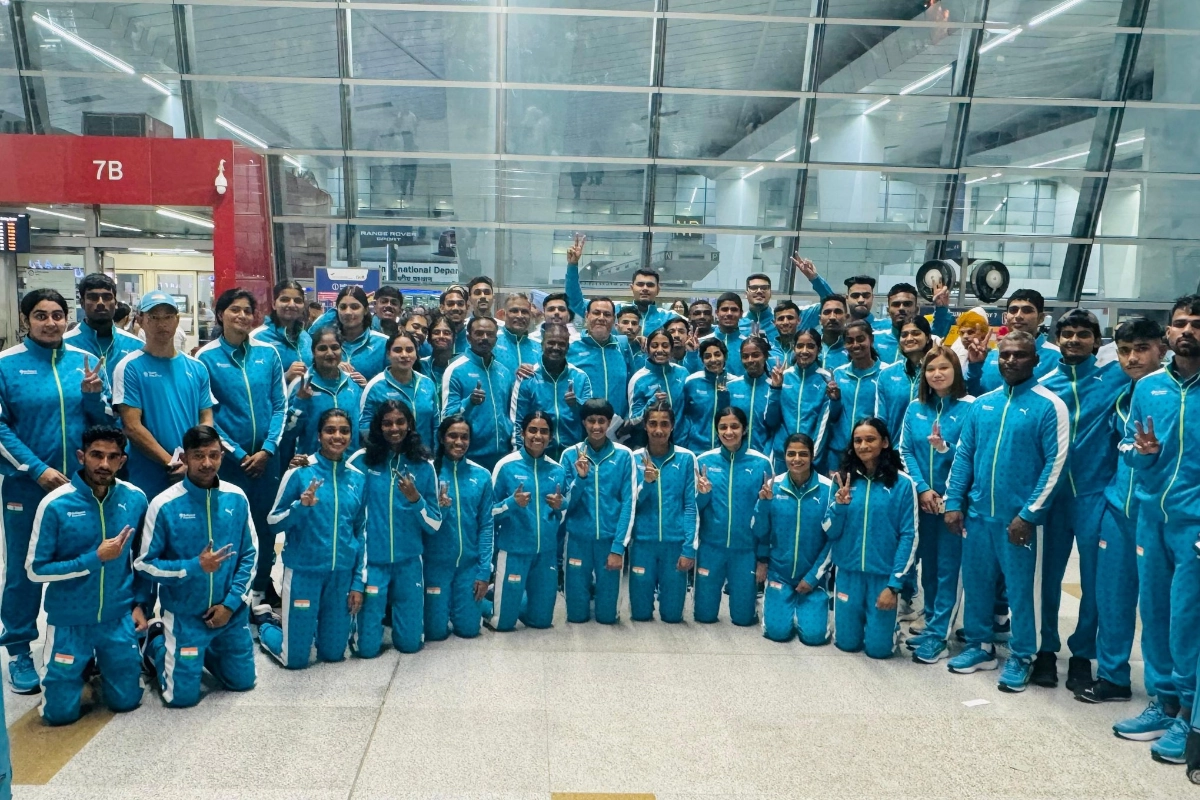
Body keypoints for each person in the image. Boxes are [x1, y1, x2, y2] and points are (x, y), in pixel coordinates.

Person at [944, 331, 1070, 693]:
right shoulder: (983, 404)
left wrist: (1029, 514)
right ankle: (980, 646)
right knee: (978, 584)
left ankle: (1023, 655)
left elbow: (1056, 464)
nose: (1010, 361)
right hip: (979, 516)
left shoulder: (1049, 406)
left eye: (1019, 355)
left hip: (1021, 523)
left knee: (1022, 592)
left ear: (1034, 359)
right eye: (1005, 355)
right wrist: (954, 503)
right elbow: (964, 456)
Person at [1, 289, 109, 692]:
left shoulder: (82, 362)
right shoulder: (6, 365)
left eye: (58, 315)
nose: (51, 322)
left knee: (82, 562)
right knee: (24, 570)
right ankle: (18, 650)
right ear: (26, 320)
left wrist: (94, 398)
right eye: (42, 315)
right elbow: (0, 428)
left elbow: (102, 423)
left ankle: (82, 644)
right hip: (26, 488)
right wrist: (37, 469)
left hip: (79, 489)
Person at [1113, 295, 1200, 763]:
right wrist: (1139, 454)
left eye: (1197, 323)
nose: (1187, 329)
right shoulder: (1148, 388)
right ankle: (1163, 701)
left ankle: (1190, 711)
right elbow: (1129, 449)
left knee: (1188, 620)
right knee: (1156, 613)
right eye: (1180, 322)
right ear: (1168, 334)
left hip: (1195, 526)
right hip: (1153, 518)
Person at [27, 425, 148, 724]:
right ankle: (80, 672)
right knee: (58, 716)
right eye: (96, 455)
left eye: (112, 457)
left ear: (122, 461)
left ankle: (145, 648)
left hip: (117, 616)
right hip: (69, 620)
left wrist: (139, 604)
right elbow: (35, 570)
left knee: (126, 702)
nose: (103, 464)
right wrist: (93, 559)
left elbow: (144, 560)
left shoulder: (136, 499)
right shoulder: (55, 505)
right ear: (82, 456)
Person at [1037, 309, 1129, 693]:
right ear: (1058, 338)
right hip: (1052, 499)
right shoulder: (1043, 386)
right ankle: (1045, 649)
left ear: (1097, 340)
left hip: (1094, 495)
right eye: (1068, 334)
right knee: (1046, 579)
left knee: (1093, 582)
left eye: (1082, 334)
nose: (1074, 340)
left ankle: (1082, 655)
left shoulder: (1115, 379)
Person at [135, 424, 257, 707]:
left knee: (242, 683)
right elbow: (145, 565)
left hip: (230, 614)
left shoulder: (236, 497)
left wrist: (230, 604)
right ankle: (156, 641)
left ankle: (208, 650)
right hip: (186, 615)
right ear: (185, 458)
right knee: (181, 698)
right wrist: (193, 566)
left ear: (222, 457)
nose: (206, 463)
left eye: (213, 455)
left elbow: (250, 555)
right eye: (198, 456)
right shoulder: (164, 504)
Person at [1077, 318, 1166, 705]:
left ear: (1162, 348)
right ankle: (1113, 677)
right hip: (1117, 508)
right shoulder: (1122, 396)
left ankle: (1168, 694)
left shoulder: (1175, 395)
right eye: (1126, 350)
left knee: (1158, 606)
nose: (1133, 358)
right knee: (1111, 597)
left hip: (1158, 515)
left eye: (1142, 349)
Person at [197, 288, 288, 610]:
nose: (242, 316)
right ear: (220, 314)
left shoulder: (268, 354)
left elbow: (280, 405)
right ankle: (232, 592)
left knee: (265, 527)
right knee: (231, 526)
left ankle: (263, 587)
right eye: (235, 310)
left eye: (248, 311)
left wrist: (268, 449)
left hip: (267, 460)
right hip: (230, 463)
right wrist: (237, 453)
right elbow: (207, 414)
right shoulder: (206, 359)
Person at [261, 409, 366, 669]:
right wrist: (299, 506)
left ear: (351, 436)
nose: (337, 436)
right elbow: (273, 523)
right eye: (330, 430)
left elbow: (360, 531)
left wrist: (357, 583)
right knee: (295, 660)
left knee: (333, 654)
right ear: (319, 435)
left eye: (344, 431)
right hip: (304, 573)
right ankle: (267, 627)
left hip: (340, 575)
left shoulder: (357, 478)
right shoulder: (299, 472)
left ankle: (313, 627)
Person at [900, 346, 974, 664]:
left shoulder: (971, 408)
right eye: (931, 369)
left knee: (948, 570)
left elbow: (972, 455)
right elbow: (906, 451)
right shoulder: (916, 408)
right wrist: (922, 489)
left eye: (944, 368)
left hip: (953, 505)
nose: (937, 374)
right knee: (928, 568)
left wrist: (947, 448)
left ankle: (940, 634)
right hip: (924, 502)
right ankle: (931, 621)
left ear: (956, 371)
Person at [348, 402, 440, 657]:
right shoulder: (361, 461)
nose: (394, 428)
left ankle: (396, 624)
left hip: (408, 562)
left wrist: (415, 499)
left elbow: (434, 523)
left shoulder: (423, 465)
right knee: (366, 650)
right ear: (378, 427)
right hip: (372, 563)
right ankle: (368, 627)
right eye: (387, 423)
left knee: (411, 646)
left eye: (400, 422)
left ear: (410, 424)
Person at [825, 418, 917, 659]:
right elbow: (829, 530)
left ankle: (892, 630)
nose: (863, 445)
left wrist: (894, 585)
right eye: (858, 440)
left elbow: (910, 536)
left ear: (885, 442)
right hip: (848, 574)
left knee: (878, 650)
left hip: (882, 577)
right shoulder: (843, 481)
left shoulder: (902, 484)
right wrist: (839, 506)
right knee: (847, 644)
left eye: (870, 439)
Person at [112, 291, 215, 501]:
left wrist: (195, 462)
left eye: (168, 317)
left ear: (177, 320)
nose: (162, 324)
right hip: (149, 475)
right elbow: (132, 426)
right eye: (154, 317)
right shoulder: (129, 367)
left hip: (193, 473)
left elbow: (206, 418)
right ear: (140, 320)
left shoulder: (197, 367)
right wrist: (172, 463)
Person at [693, 407, 774, 626]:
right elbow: (694, 509)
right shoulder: (703, 461)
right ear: (716, 430)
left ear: (744, 428)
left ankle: (749, 607)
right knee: (704, 616)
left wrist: (763, 557)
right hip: (710, 547)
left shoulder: (761, 463)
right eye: (723, 427)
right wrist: (703, 495)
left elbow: (768, 516)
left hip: (746, 550)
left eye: (734, 426)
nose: (729, 432)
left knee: (743, 619)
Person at [560, 399, 637, 625]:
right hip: (577, 540)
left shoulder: (624, 456)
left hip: (609, 541)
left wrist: (618, 548)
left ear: (609, 422)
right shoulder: (569, 455)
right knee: (576, 617)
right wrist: (581, 479)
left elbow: (628, 504)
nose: (596, 427)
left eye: (601, 421)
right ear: (583, 422)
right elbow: (565, 506)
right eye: (591, 421)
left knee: (607, 618)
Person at [490, 411, 568, 632]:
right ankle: (486, 601)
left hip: (545, 554)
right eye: (532, 430)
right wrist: (512, 503)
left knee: (542, 622)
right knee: (503, 624)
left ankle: (509, 599)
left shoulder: (557, 470)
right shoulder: (506, 466)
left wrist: (560, 506)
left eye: (544, 431)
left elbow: (564, 511)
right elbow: (489, 513)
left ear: (550, 437)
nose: (538, 436)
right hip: (513, 551)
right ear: (523, 433)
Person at [757, 433, 834, 645]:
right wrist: (763, 504)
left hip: (813, 577)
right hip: (779, 574)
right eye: (791, 454)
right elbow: (760, 531)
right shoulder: (772, 486)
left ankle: (805, 607)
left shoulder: (828, 490)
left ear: (813, 455)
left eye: (803, 454)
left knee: (814, 637)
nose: (796, 459)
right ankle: (781, 605)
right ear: (784, 455)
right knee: (777, 633)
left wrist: (813, 577)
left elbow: (833, 539)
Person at [424, 416, 494, 641]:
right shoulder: (429, 473)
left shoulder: (481, 475)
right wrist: (441, 510)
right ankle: (449, 604)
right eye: (453, 436)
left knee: (469, 631)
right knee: (435, 633)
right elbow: (421, 523)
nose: (459, 442)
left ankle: (480, 604)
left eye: (464, 437)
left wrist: (484, 572)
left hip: (468, 566)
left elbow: (486, 525)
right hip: (435, 566)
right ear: (442, 438)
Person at [628, 401, 697, 624]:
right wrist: (647, 484)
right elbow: (630, 506)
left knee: (672, 617)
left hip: (674, 543)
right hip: (642, 543)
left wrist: (688, 548)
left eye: (664, 424)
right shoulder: (633, 458)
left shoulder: (686, 458)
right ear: (645, 427)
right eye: (653, 424)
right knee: (639, 615)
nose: (659, 430)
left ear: (673, 426)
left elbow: (690, 506)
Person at [564, 233, 678, 337]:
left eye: (650, 285)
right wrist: (572, 265)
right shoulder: (613, 310)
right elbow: (576, 302)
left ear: (658, 289)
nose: (645, 288)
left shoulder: (669, 318)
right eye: (640, 284)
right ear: (632, 288)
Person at [442, 317, 516, 472]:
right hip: (469, 457)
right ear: (469, 337)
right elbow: (446, 417)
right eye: (479, 333)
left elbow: (511, 414)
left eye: (490, 334)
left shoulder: (504, 372)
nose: (484, 338)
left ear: (496, 338)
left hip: (503, 455)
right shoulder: (455, 370)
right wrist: (469, 402)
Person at [510, 324, 592, 460]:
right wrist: (520, 457)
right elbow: (517, 421)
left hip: (573, 454)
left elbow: (589, 420)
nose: (556, 347)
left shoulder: (580, 377)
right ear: (542, 345)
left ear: (567, 347)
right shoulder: (527, 378)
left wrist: (576, 405)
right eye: (551, 342)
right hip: (537, 454)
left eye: (561, 344)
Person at [283, 326, 363, 461]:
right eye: (322, 348)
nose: (330, 353)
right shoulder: (300, 385)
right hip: (312, 466)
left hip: (349, 468)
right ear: (313, 352)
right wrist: (300, 402)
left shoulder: (354, 384)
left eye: (335, 347)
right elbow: (288, 434)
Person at [964, 289, 1060, 395]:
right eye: (1013, 310)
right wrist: (975, 366)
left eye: (1027, 310)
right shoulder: (990, 356)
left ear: (1041, 318)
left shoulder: (1057, 358)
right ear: (1006, 317)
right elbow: (974, 396)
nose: (1018, 316)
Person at [359, 331, 440, 449]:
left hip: (423, 458)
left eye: (409, 350)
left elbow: (436, 424)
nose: (404, 355)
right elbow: (364, 427)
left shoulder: (427, 384)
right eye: (397, 350)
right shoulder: (375, 386)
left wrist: (435, 456)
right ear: (388, 354)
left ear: (416, 353)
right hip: (387, 459)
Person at [825, 320, 882, 474]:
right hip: (839, 452)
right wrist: (835, 400)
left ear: (871, 339)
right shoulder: (838, 373)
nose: (855, 345)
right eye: (849, 341)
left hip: (870, 453)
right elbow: (833, 416)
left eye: (860, 339)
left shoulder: (885, 374)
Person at [64, 273, 143, 383]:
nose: (100, 303)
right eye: (93, 297)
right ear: (82, 303)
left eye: (107, 297)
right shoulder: (64, 345)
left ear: (115, 303)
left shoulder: (136, 346)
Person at [567, 295, 633, 426]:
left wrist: (628, 418)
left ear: (614, 320)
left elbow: (632, 387)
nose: (601, 318)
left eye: (607, 314)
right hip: (579, 426)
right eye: (596, 313)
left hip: (618, 429)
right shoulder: (571, 345)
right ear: (587, 315)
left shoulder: (622, 346)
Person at [774, 328, 833, 469]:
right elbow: (773, 419)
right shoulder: (783, 377)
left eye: (811, 346)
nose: (804, 351)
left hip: (813, 457)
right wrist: (775, 388)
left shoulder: (826, 378)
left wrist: (811, 456)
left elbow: (823, 423)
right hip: (783, 455)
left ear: (819, 349)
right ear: (793, 348)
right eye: (800, 346)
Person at [679, 338, 749, 456]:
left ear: (725, 357)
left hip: (726, 451)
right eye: (707, 356)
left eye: (717, 355)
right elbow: (684, 416)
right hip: (696, 449)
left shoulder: (735, 383)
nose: (713, 360)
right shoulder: (692, 382)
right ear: (702, 360)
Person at [877, 315, 933, 442]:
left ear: (928, 337)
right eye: (904, 335)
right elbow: (881, 418)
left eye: (916, 333)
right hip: (894, 450)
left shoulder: (937, 371)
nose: (909, 338)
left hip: (928, 449)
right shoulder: (887, 374)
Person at [627, 328, 689, 438]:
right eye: (654, 346)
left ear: (671, 348)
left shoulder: (682, 373)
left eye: (665, 346)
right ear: (647, 348)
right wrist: (651, 403)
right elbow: (633, 420)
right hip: (653, 442)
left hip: (683, 441)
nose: (660, 350)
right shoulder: (638, 379)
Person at [872, 282, 952, 364]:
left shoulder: (928, 338)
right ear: (888, 311)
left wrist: (942, 308)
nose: (901, 308)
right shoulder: (874, 340)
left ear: (917, 310)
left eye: (907, 304)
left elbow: (939, 330)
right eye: (896, 304)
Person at [251, 280, 312, 384]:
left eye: (297, 300)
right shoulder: (257, 338)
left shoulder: (306, 337)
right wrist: (285, 377)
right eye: (285, 299)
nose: (292, 305)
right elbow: (250, 380)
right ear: (274, 304)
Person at [332, 286, 388, 383]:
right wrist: (331, 367)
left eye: (354, 307)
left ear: (365, 310)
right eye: (343, 307)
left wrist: (368, 389)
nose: (348, 312)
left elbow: (395, 384)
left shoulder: (383, 343)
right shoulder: (329, 342)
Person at [739, 337, 783, 459]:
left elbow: (775, 424)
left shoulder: (775, 386)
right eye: (745, 356)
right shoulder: (731, 386)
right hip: (737, 457)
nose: (750, 360)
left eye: (755, 355)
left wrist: (775, 390)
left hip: (766, 455)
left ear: (765, 356)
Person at [492, 293, 542, 377]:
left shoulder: (540, 346)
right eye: (514, 311)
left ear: (530, 316)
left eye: (524, 312)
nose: (520, 316)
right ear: (504, 315)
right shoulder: (492, 342)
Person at [421, 312, 456, 389]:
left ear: (454, 338)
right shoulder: (421, 365)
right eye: (436, 332)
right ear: (429, 338)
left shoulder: (460, 366)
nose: (441, 336)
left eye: (446, 333)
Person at [818, 294, 850, 371]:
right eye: (827, 312)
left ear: (847, 317)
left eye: (838, 312)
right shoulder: (809, 347)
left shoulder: (853, 349)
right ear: (820, 319)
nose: (832, 317)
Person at [439, 286, 470, 355]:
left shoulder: (473, 340)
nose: (455, 308)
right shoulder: (433, 339)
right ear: (442, 308)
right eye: (450, 304)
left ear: (467, 307)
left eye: (460, 304)